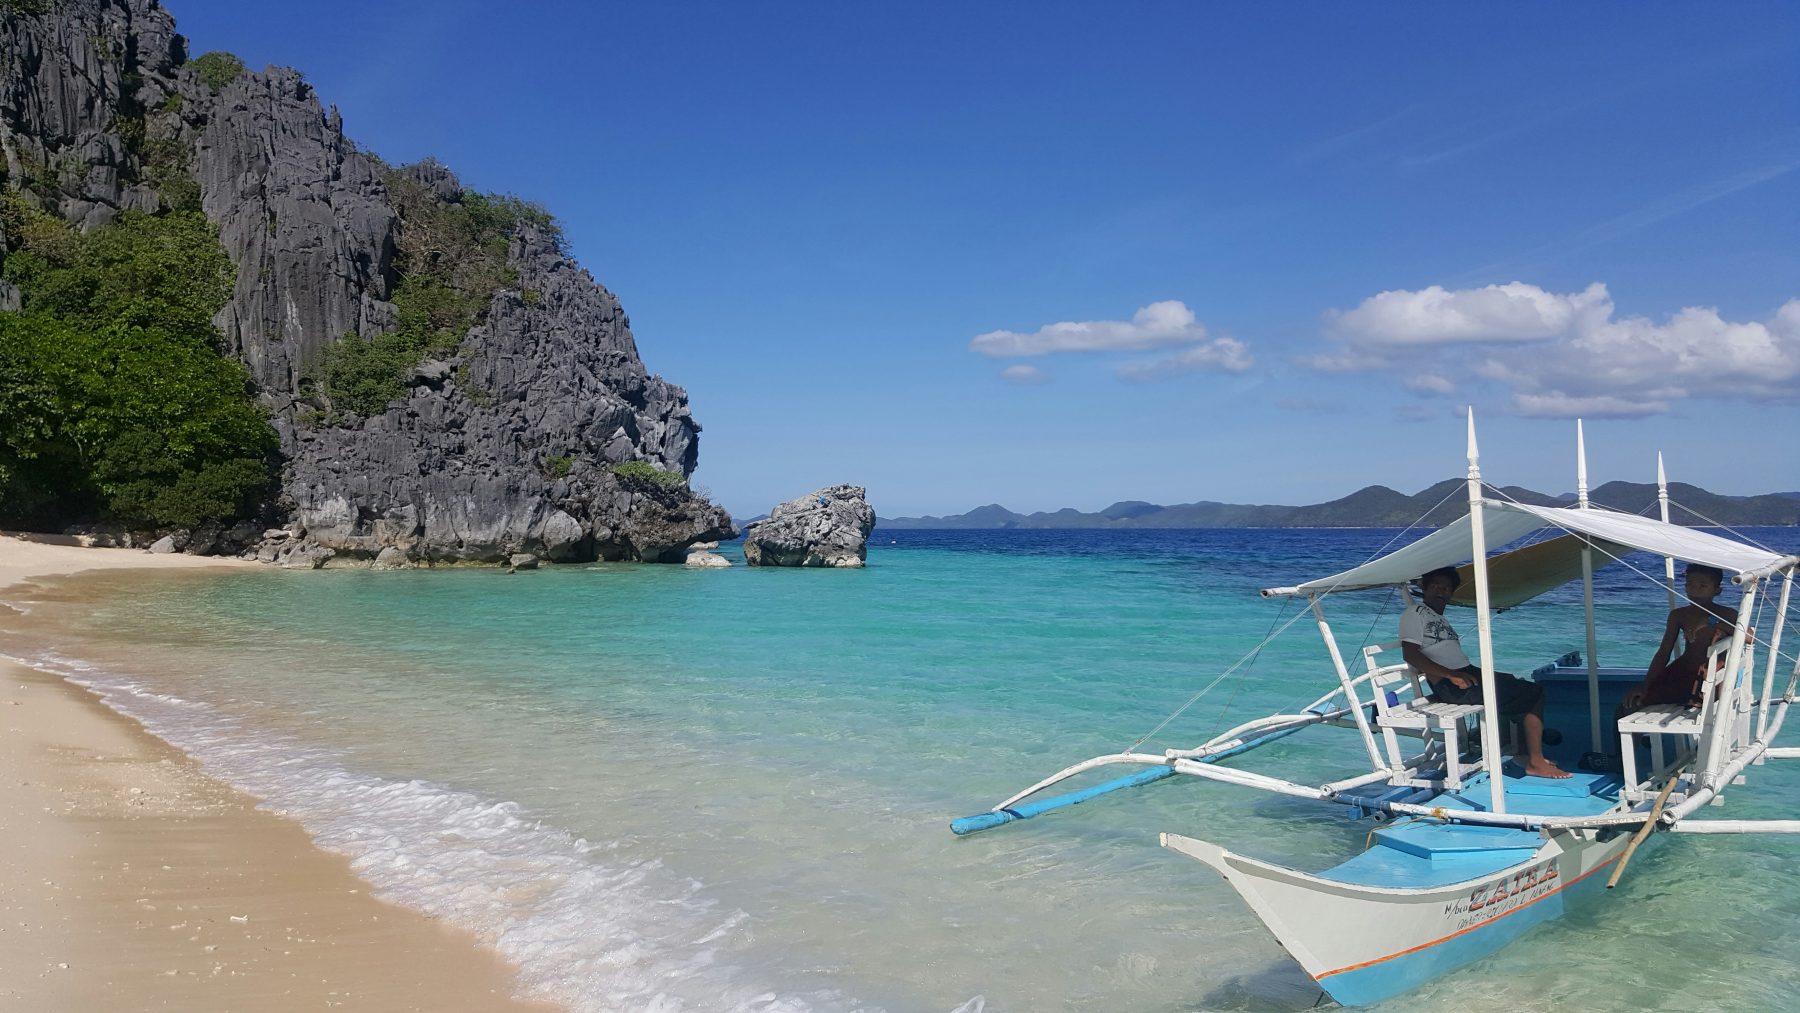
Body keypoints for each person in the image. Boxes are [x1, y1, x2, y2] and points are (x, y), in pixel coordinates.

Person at [1400, 565, 1570, 779]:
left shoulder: (1438, 617)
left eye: (1446, 587)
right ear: (1424, 587)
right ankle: (1534, 761)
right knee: (1532, 693)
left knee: (1518, 685)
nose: (1440, 591)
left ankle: (1523, 754)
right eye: (1435, 585)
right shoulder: (1414, 613)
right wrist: (1451, 676)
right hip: (1452, 686)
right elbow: (1411, 654)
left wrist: (1460, 673)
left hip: (1464, 674)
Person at [1624, 564, 1738, 711]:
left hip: (1708, 678)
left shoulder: (1727, 614)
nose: (1694, 590)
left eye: (1702, 586)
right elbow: (1664, 651)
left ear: (1717, 590)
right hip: (1681, 673)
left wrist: (1710, 622)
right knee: (1631, 705)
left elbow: (1749, 637)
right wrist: (1646, 685)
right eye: (1690, 584)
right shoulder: (1679, 615)